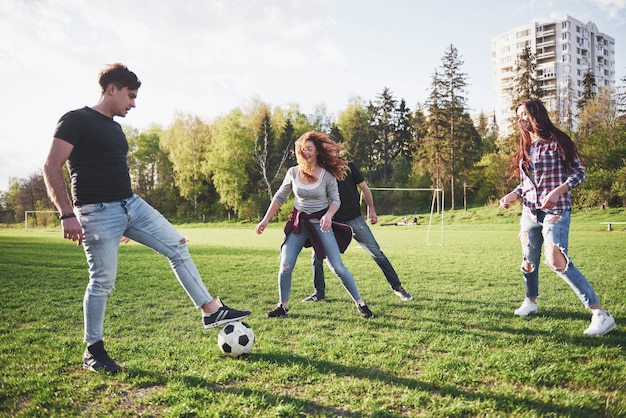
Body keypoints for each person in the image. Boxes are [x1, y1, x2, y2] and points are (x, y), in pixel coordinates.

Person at [42, 63, 251, 374]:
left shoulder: (115, 127)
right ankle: (93, 350)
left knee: (177, 246)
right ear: (111, 89)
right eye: (130, 95)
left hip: (132, 206)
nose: (134, 103)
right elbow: (50, 166)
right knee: (102, 283)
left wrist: (128, 222)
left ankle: (211, 311)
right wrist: (67, 214)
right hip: (96, 212)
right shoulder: (76, 119)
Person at [499, 97, 615, 336]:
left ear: (538, 115)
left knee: (556, 260)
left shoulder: (558, 141)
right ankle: (530, 302)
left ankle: (599, 314)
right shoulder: (526, 146)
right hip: (530, 212)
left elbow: (579, 172)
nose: (521, 119)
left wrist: (558, 190)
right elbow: (526, 184)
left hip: (556, 210)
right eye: (518, 115)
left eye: (525, 114)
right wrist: (512, 195)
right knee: (528, 261)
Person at [255, 131, 373, 319]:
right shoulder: (293, 172)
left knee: (337, 267)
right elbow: (280, 197)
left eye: (309, 149)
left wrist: (328, 215)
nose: (306, 153)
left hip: (321, 224)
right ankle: (282, 306)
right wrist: (265, 219)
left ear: (317, 151)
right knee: (285, 264)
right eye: (303, 149)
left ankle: (361, 304)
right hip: (299, 224)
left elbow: (335, 200)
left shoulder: (327, 175)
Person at [303, 161, 413, 303]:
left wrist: (372, 210)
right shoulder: (321, 172)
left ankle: (398, 287)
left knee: (377, 253)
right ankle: (319, 292)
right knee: (317, 255)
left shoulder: (348, 167)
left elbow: (365, 189)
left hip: (355, 219)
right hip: (333, 222)